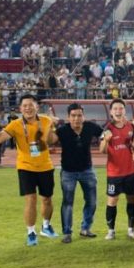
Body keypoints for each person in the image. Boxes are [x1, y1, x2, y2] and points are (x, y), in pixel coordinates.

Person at [0, 95, 58, 246]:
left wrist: (52, 127)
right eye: (25, 106)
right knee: (31, 199)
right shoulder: (15, 124)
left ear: (37, 107)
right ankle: (31, 232)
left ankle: (46, 226)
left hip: (45, 166)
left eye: (31, 105)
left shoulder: (46, 120)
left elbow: (52, 141)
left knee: (47, 199)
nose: (28, 108)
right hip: (25, 166)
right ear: (20, 108)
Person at [51, 103, 103, 243]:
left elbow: (104, 132)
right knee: (68, 202)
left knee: (92, 201)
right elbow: (50, 140)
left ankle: (85, 228)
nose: (76, 118)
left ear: (83, 116)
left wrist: (107, 134)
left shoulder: (90, 127)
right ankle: (67, 232)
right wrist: (50, 126)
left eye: (79, 115)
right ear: (68, 117)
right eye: (73, 116)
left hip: (87, 170)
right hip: (68, 172)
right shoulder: (62, 130)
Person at [99, 99, 134, 241]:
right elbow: (102, 150)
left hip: (129, 171)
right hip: (114, 173)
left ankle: (131, 230)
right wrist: (106, 140)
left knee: (131, 199)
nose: (118, 111)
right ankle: (111, 231)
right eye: (115, 109)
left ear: (124, 110)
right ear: (111, 112)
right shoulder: (107, 128)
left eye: (121, 108)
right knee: (112, 200)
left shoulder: (131, 126)